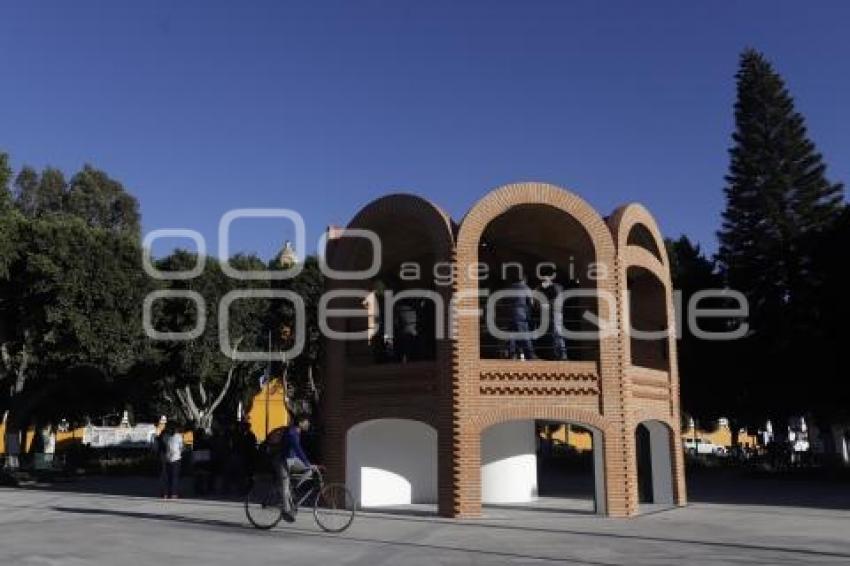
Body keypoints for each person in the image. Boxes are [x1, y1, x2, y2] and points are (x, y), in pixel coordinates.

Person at [275, 415, 317, 522]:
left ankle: (292, 488)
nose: (308, 424)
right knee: (285, 486)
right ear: (300, 423)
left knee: (309, 471)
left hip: (291, 461)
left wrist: (308, 464)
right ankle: (286, 511)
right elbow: (297, 449)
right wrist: (307, 463)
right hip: (283, 461)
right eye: (307, 422)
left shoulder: (297, 433)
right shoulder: (292, 433)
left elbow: (296, 452)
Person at [507, 275, 538, 360]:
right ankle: (530, 354)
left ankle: (511, 354)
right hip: (521, 314)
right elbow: (531, 303)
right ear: (524, 280)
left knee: (512, 334)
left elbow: (506, 300)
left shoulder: (510, 288)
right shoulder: (525, 288)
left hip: (511, 314)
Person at [539, 273, 568, 360]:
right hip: (554, 313)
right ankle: (557, 353)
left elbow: (555, 297)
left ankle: (562, 353)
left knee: (557, 332)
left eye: (544, 281)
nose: (543, 283)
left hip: (555, 313)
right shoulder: (555, 288)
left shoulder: (555, 287)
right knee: (554, 332)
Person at [160, 423, 184, 499]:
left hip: (167, 458)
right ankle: (174, 493)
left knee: (168, 477)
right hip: (176, 458)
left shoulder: (165, 436)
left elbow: (163, 447)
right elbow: (181, 447)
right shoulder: (179, 436)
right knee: (175, 477)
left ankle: (166, 493)